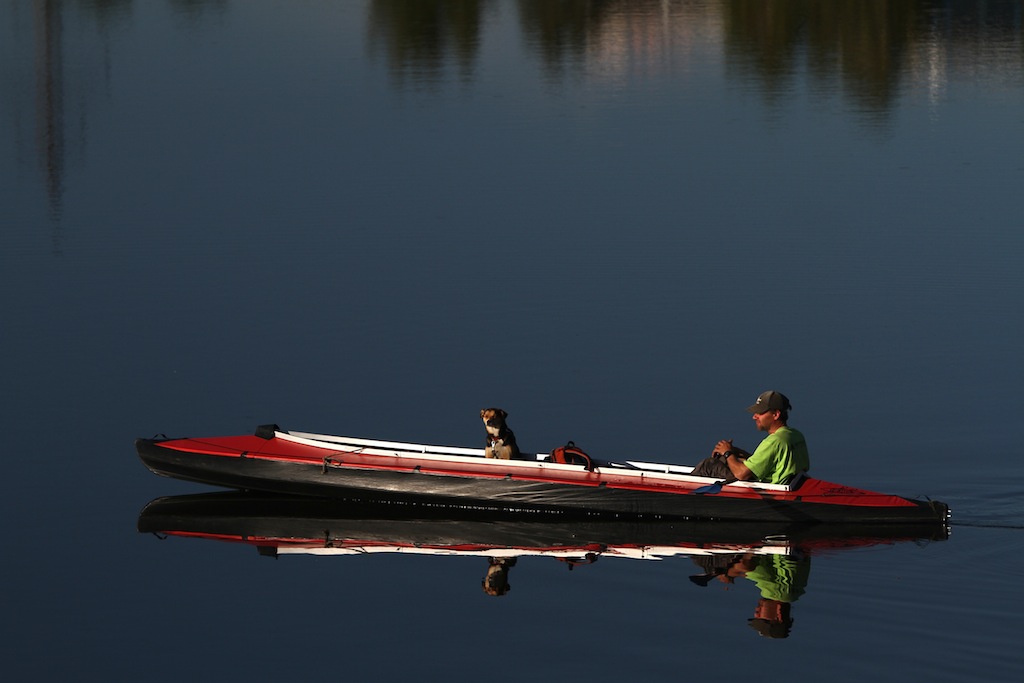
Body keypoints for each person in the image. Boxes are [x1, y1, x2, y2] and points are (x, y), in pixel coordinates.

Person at [690, 390, 809, 484]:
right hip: (787, 482)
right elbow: (769, 461)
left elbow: (742, 475)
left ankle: (686, 498)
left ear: (776, 414)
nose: (754, 417)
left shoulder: (773, 442)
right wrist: (736, 452)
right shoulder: (795, 435)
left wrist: (727, 453)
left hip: (769, 488)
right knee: (723, 460)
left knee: (709, 464)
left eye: (760, 413)